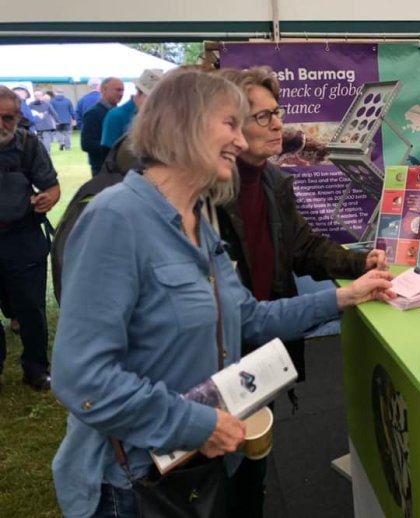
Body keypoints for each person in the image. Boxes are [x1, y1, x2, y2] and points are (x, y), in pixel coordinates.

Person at [51, 69, 395, 518]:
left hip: (200, 468)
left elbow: (247, 316)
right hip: (135, 484)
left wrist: (342, 299)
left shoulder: (198, 217)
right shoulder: (116, 218)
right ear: (184, 124)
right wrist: (195, 423)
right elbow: (82, 378)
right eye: (230, 124)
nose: (240, 139)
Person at [214, 66, 388, 515]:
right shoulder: (205, 196)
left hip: (264, 343)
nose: (278, 125)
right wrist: (340, 296)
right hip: (220, 352)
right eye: (264, 116)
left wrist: (359, 261)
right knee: (217, 473)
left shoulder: (273, 182)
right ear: (227, 125)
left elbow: (302, 247)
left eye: (278, 113)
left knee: (251, 467)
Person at [0, 86, 60, 392]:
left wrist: (47, 198)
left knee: (32, 308)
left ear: (18, 117)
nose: (1, 125)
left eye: (7, 118)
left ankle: (36, 368)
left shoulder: (28, 145)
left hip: (22, 237)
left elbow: (52, 187)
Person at [101, 69, 163, 149]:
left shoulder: (159, 116)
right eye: (155, 98)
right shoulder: (116, 116)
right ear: (139, 94)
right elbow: (107, 154)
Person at [81, 77, 124, 175]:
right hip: (102, 169)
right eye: (118, 90)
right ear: (103, 89)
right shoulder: (93, 113)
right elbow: (87, 144)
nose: (121, 94)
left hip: (120, 167)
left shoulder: (120, 113)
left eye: (122, 90)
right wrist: (114, 147)